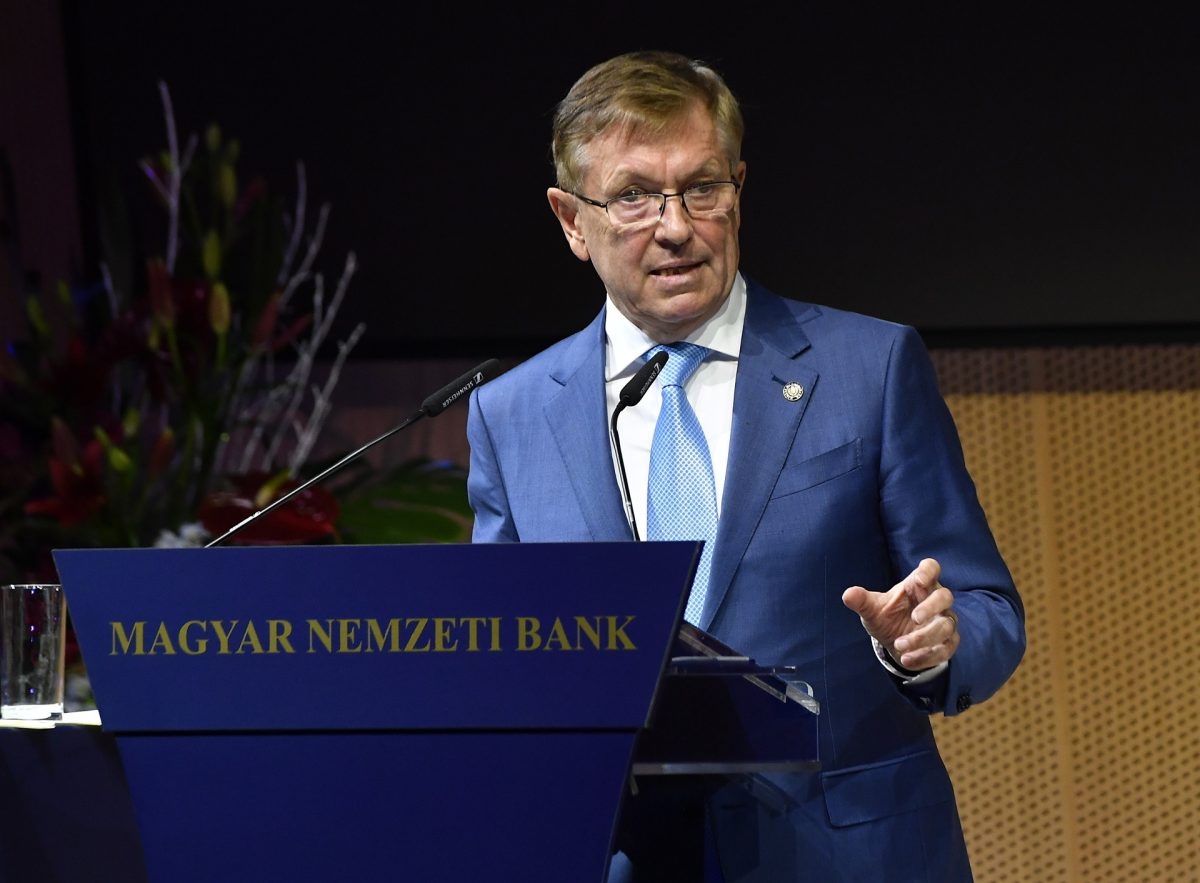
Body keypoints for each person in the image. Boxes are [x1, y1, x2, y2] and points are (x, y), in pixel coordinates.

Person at [466, 50, 1025, 882]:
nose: (675, 226)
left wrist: (929, 643)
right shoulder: (512, 416)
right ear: (571, 220)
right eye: (633, 195)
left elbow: (987, 607)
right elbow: (500, 655)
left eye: (702, 187)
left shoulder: (868, 368)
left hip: (849, 855)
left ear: (738, 188)